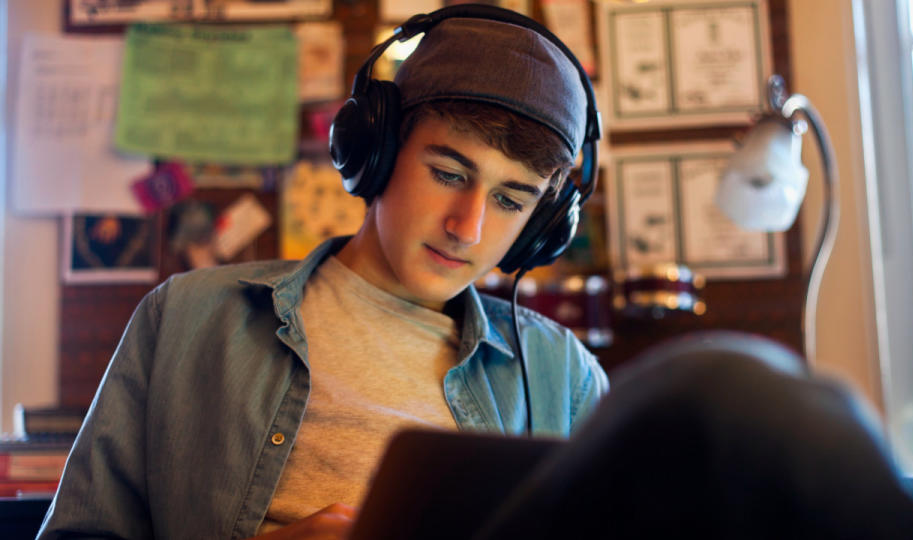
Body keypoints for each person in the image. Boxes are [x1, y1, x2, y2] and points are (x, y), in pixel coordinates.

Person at [37, 6, 607, 539]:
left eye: (511, 201)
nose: (468, 227)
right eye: (448, 173)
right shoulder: (186, 316)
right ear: (374, 152)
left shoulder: (566, 379)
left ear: (544, 224)